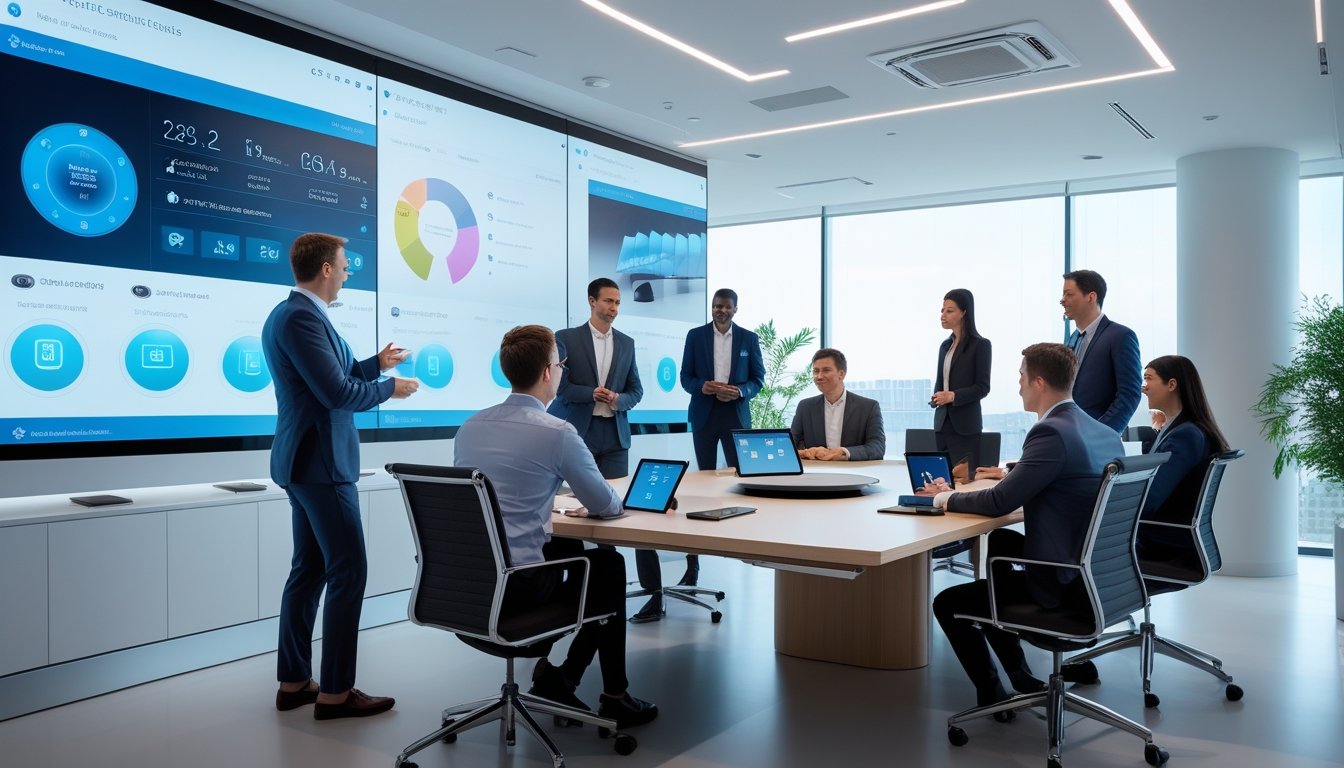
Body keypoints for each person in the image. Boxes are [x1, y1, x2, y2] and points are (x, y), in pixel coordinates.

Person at [453, 325, 658, 729]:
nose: (562, 371)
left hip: (469, 587)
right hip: (520, 589)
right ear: (549, 372)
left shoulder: (470, 427)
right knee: (609, 566)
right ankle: (613, 694)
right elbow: (605, 504)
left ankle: (562, 677)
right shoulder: (558, 433)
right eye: (561, 365)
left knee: (574, 556)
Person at [263, 232, 419, 719]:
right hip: (321, 465)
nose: (350, 271)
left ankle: (294, 682)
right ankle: (334, 692)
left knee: (309, 571)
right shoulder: (299, 318)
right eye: (345, 264)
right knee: (348, 571)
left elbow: (342, 371)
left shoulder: (297, 315)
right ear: (326, 269)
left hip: (307, 463)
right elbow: (336, 392)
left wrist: (377, 364)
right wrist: (388, 387)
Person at [929, 343, 1123, 717]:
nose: (1017, 386)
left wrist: (945, 498)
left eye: (1020, 378)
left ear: (1038, 382)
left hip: (1064, 584)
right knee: (1001, 539)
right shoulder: (1103, 432)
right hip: (1102, 576)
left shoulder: (1050, 431)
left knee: (949, 603)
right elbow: (1064, 475)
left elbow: (999, 502)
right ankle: (1018, 673)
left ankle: (992, 692)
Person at [625, 288, 766, 623]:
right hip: (704, 416)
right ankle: (693, 564)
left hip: (735, 417)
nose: (721, 311)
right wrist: (702, 387)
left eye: (726, 307)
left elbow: (758, 380)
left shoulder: (748, 338)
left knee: (740, 484)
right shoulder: (695, 336)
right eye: (717, 306)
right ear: (712, 308)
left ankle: (744, 546)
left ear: (735, 308)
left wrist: (740, 391)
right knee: (703, 490)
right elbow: (685, 377)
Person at [1131, 354, 1231, 557]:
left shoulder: (1185, 436)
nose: (1144, 387)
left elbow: (1149, 501)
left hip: (1159, 540)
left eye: (1149, 378)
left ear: (1171, 384)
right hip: (1168, 535)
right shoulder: (1185, 430)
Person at [549, 277, 643, 479]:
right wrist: (591, 394)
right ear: (592, 301)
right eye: (608, 301)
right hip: (579, 430)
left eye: (617, 303)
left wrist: (618, 400)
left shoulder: (627, 343)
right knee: (576, 500)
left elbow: (636, 390)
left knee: (616, 500)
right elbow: (560, 387)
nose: (614, 308)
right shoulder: (565, 338)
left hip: (616, 436)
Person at [1060, 269, 1141, 433]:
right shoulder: (1071, 339)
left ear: (1091, 297)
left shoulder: (1120, 336)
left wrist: (1101, 434)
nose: (1062, 300)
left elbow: (1129, 394)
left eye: (1069, 294)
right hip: (1068, 434)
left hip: (1096, 439)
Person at [931, 289, 991, 474]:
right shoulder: (945, 346)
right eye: (942, 310)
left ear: (964, 312)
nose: (943, 315)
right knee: (942, 480)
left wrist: (953, 396)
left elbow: (982, 388)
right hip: (942, 423)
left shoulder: (980, 345)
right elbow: (941, 381)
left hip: (965, 425)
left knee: (965, 482)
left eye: (949, 311)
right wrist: (936, 398)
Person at [790, 347, 886, 461]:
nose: (819, 376)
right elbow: (790, 446)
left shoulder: (868, 407)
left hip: (854, 474)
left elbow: (877, 447)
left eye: (826, 370)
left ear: (841, 374)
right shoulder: (805, 407)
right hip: (816, 473)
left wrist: (844, 452)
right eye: (816, 371)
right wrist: (805, 452)